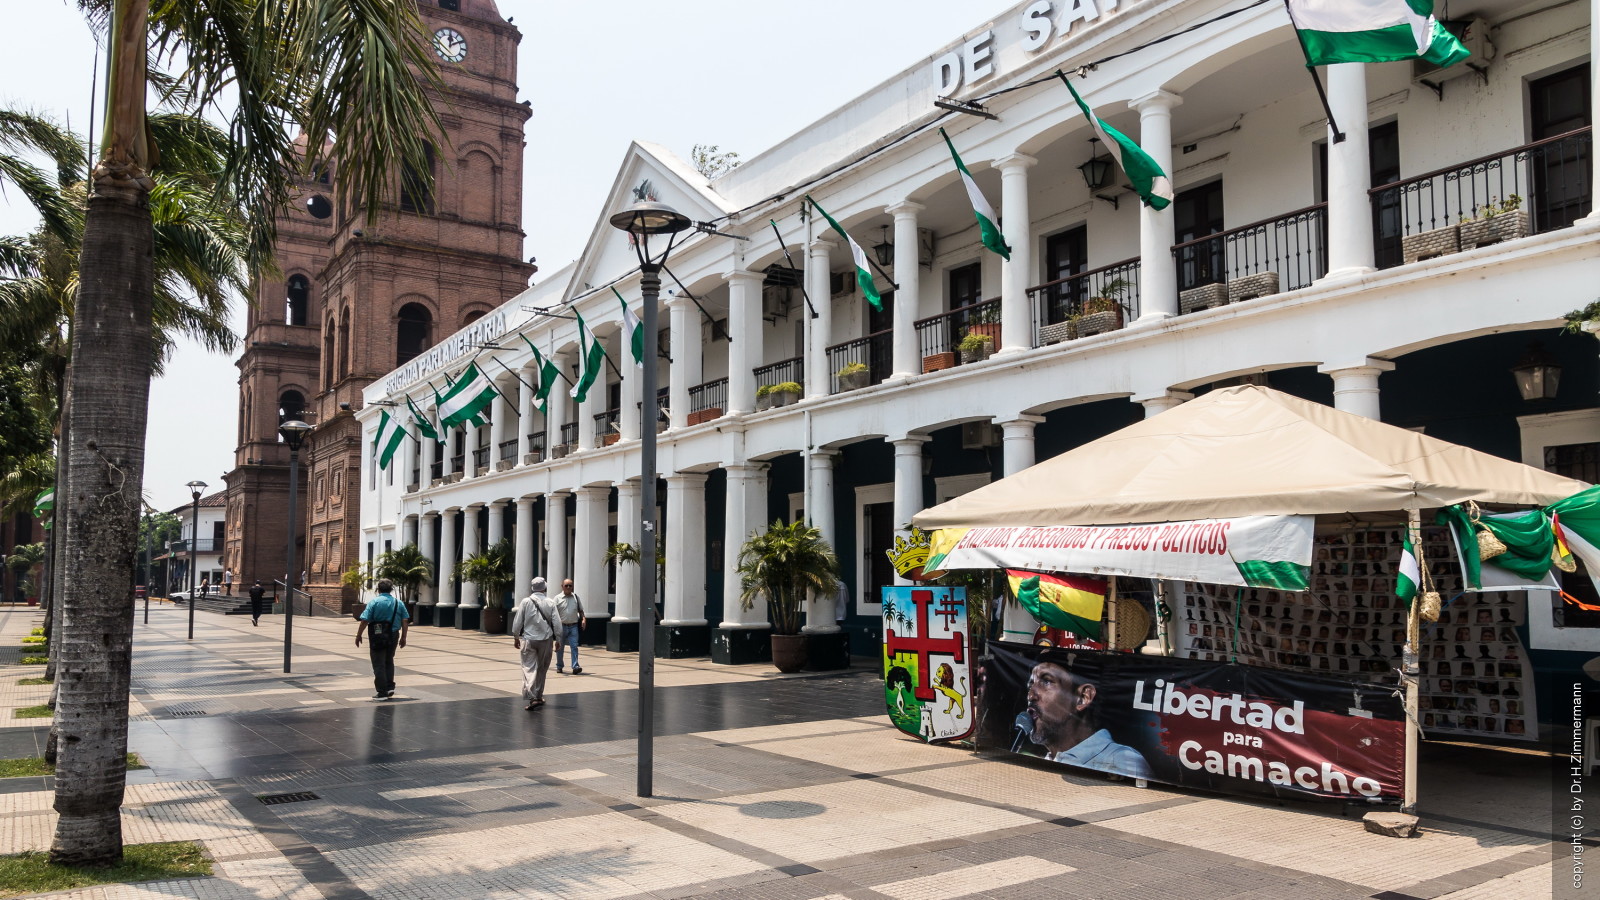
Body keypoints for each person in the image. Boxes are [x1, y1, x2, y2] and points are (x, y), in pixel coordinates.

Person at [1018, 658, 1154, 780]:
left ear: (1083, 698)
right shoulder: (1047, 761)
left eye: (1046, 682)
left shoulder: (1122, 761)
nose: (1030, 696)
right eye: (1031, 685)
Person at [511, 576, 562, 709]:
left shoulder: (525, 602)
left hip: (529, 639)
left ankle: (533, 696)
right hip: (546, 639)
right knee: (542, 668)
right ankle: (538, 695)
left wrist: (516, 636)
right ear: (544, 588)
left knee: (528, 667)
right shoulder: (550, 602)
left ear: (532, 588)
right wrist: (558, 639)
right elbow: (557, 623)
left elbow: (518, 621)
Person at [355, 579, 410, 700]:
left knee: (378, 663)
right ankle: (389, 686)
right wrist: (404, 637)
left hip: (377, 636)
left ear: (378, 589)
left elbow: (364, 620)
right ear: (391, 589)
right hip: (393, 635)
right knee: (389, 660)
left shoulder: (374, 602)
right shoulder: (398, 603)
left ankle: (382, 691)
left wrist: (358, 635)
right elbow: (405, 620)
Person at [554, 578, 586, 674]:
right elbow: (553, 613)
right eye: (566, 585)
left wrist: (584, 619)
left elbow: (581, 610)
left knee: (574, 646)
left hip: (573, 626)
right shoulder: (557, 598)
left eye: (570, 585)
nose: (568, 587)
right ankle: (559, 666)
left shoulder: (575, 597)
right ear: (562, 586)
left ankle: (575, 666)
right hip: (561, 626)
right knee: (560, 648)